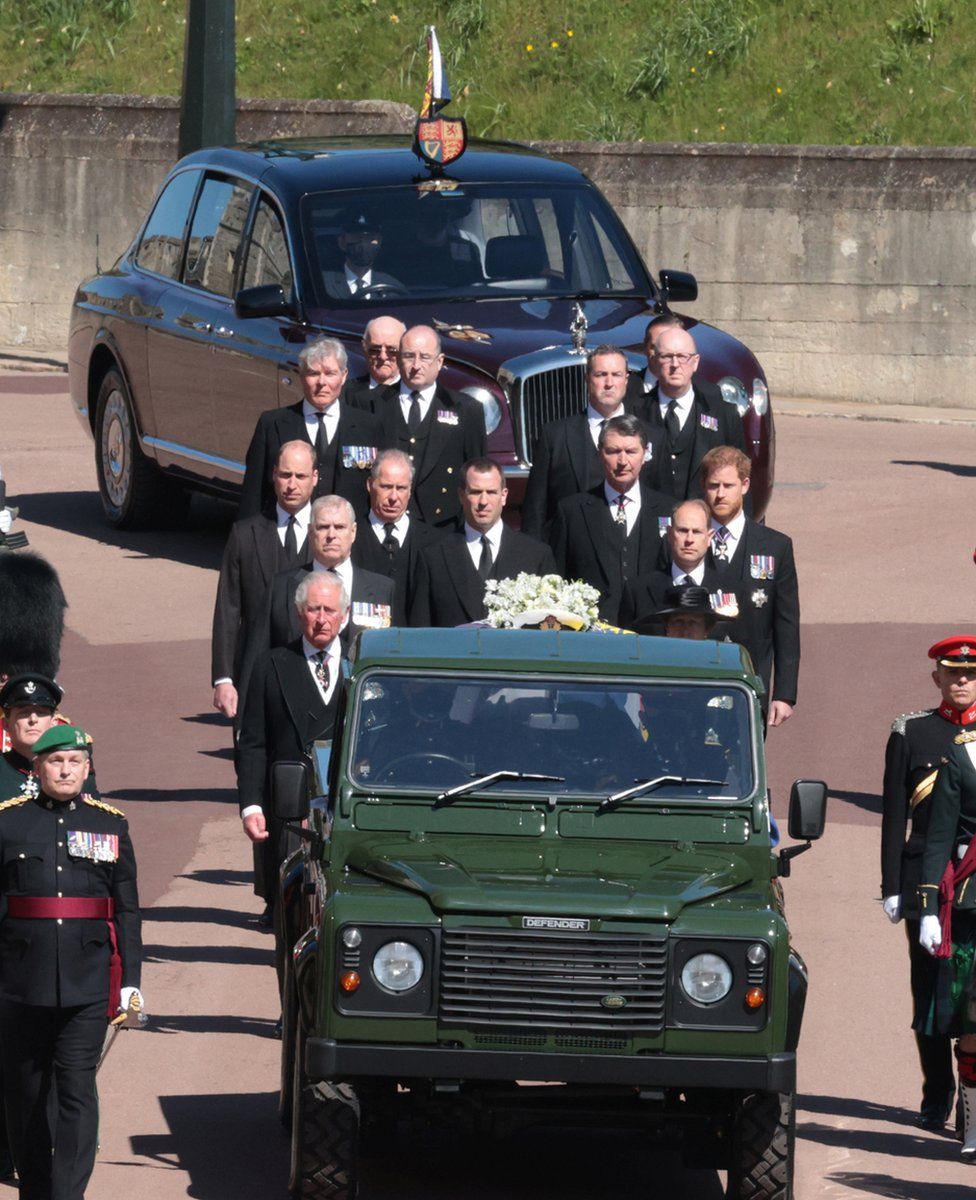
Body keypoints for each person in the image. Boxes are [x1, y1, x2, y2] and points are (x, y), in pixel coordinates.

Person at [0, 723, 142, 1200]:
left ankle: (68, 1194)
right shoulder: (7, 822)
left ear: (87, 768)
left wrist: (131, 983)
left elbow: (127, 911)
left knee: (77, 1090)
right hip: (22, 982)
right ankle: (36, 1190)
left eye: (75, 762)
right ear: (37, 768)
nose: (66, 770)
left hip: (87, 983)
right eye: (55, 762)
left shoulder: (111, 824)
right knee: (26, 1095)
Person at [884, 637, 976, 1131]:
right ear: (936, 678)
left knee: (973, 998)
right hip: (925, 879)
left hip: (973, 881)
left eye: (970, 673)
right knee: (930, 989)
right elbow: (895, 812)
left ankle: (971, 1099)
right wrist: (892, 885)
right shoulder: (912, 731)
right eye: (952, 673)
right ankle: (936, 1091)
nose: (962, 681)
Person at [238, 573, 348, 912]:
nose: (321, 618)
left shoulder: (361, 666)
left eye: (330, 609)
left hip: (345, 807)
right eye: (313, 609)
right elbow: (253, 743)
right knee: (290, 908)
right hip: (288, 811)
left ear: (344, 615)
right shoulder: (271, 665)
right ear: (299, 613)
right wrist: (251, 806)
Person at [916, 640, 976, 1157]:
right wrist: (931, 903)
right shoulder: (960, 752)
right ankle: (973, 1124)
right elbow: (939, 831)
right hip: (973, 898)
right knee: (970, 1017)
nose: (964, 680)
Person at [211, 441, 317, 721]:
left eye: (300, 476)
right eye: (285, 475)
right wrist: (223, 679)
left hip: (312, 675)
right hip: (255, 674)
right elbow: (228, 609)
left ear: (315, 478)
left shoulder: (329, 535)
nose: (292, 484)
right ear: (273, 475)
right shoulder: (245, 535)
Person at [521, 345, 664, 539]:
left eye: (616, 375)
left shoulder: (654, 436)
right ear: (587, 378)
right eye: (600, 374)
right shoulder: (554, 436)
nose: (609, 383)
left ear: (626, 380)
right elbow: (535, 511)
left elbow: (665, 506)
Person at [700, 446, 799, 727]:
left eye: (728, 485)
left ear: (744, 485)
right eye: (713, 485)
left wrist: (785, 693)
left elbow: (787, 623)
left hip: (750, 684)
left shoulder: (776, 546)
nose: (720, 494)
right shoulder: (687, 538)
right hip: (697, 680)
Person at [244, 495, 394, 672]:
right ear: (310, 532)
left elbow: (395, 655)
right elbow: (256, 659)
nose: (331, 535)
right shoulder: (281, 587)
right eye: (323, 527)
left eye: (339, 527)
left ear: (353, 532)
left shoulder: (382, 590)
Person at [238, 337, 383, 519]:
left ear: (344, 375)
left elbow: (377, 492)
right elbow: (253, 493)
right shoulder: (272, 424)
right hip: (285, 536)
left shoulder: (368, 427)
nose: (321, 382)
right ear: (301, 375)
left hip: (344, 539)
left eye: (330, 373)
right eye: (313, 373)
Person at [549, 415, 673, 624]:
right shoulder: (571, 511)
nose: (623, 461)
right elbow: (556, 580)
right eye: (614, 451)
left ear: (645, 454)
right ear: (600, 454)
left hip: (652, 635)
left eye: (631, 451)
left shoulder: (669, 510)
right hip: (591, 636)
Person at [409, 458, 557, 627]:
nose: (483, 502)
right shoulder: (433, 558)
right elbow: (420, 632)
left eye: (492, 492)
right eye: (475, 492)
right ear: (461, 495)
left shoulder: (536, 556)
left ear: (504, 496)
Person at [367, 325, 486, 527]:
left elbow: (477, 477)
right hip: (384, 526)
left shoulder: (466, 410)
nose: (415, 365)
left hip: (443, 529)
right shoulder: (371, 404)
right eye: (408, 356)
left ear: (439, 362)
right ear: (397, 359)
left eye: (424, 357)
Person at [639, 324, 746, 503]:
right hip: (651, 523)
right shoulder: (636, 412)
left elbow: (740, 474)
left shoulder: (723, 414)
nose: (675, 365)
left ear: (695, 362)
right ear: (656, 361)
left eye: (682, 357)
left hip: (706, 524)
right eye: (666, 357)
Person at [619, 498, 740, 635]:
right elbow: (625, 649)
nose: (689, 539)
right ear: (670, 534)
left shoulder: (732, 589)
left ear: (709, 537)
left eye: (697, 532)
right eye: (682, 530)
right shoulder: (638, 592)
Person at [350, 450, 443, 626]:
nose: (393, 497)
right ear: (370, 485)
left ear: (410, 490)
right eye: (386, 487)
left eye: (401, 488)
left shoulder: (434, 543)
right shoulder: (350, 538)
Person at [321, 209, 402, 300]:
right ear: (342, 242)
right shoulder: (323, 284)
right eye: (357, 237)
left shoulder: (392, 286)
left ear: (379, 242)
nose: (364, 244)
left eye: (370, 238)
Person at [343, 316, 407, 410]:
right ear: (364, 348)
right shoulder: (344, 394)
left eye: (392, 350)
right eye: (375, 349)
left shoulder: (417, 394)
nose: (383, 356)